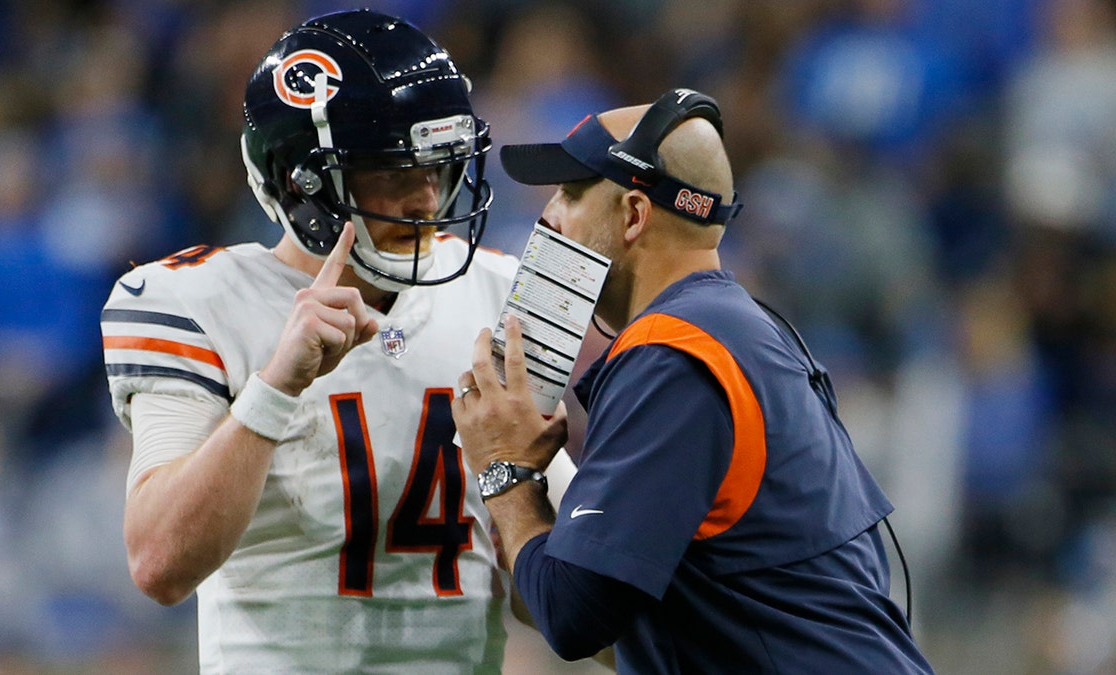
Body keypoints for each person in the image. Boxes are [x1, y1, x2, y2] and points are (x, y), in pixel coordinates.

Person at [451, 88, 937, 673]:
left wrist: (506, 471)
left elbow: (572, 613)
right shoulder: (743, 329)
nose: (548, 215)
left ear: (634, 214)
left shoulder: (672, 353)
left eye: (571, 193)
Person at [99, 10, 520, 673]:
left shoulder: (501, 292)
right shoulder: (195, 301)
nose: (425, 196)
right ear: (302, 182)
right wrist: (273, 389)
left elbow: (549, 586)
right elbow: (158, 562)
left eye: (440, 163)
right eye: (392, 168)